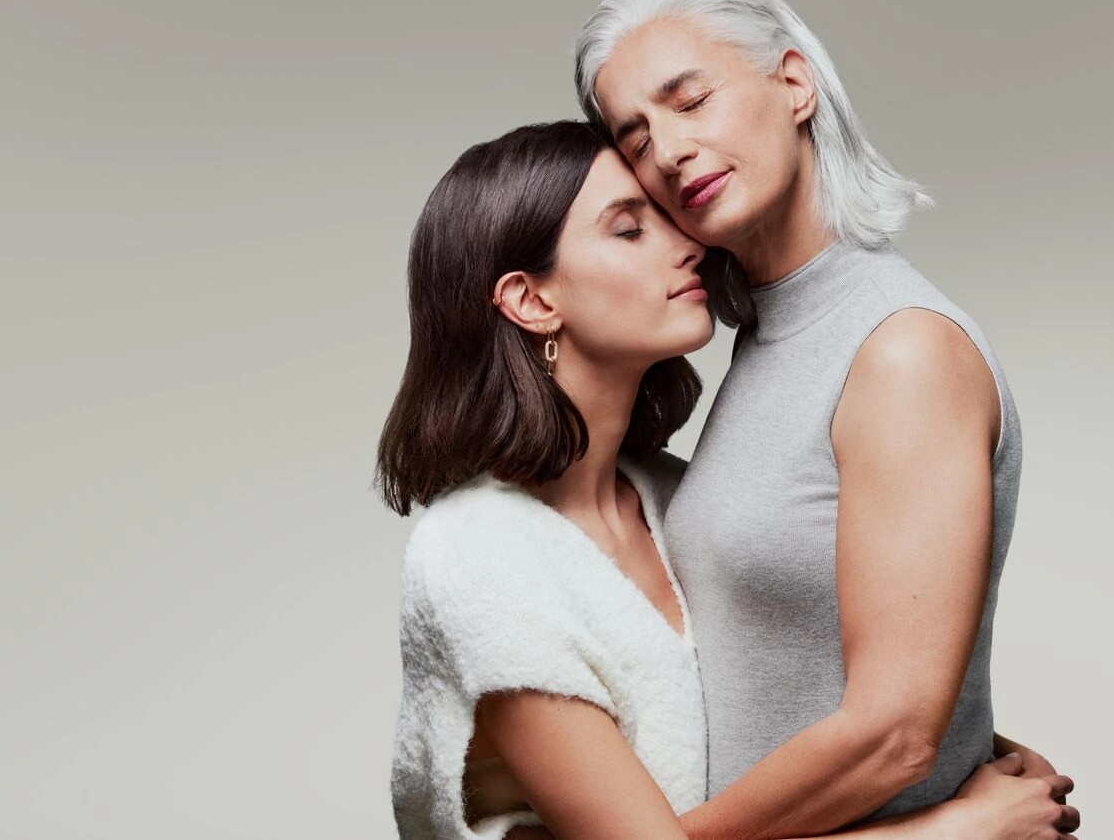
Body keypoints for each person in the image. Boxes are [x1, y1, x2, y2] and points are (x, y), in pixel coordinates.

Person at [378, 119, 1078, 839]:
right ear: (532, 300)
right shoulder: (478, 556)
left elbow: (786, 700)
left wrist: (979, 753)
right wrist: (951, 829)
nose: (690, 244)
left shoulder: (670, 498)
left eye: (666, 220)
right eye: (628, 230)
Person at [571, 0, 1070, 835]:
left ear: (793, 84)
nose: (671, 150)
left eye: (691, 100)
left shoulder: (899, 347)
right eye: (638, 138)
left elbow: (894, 736)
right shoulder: (768, 342)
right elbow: (813, 651)